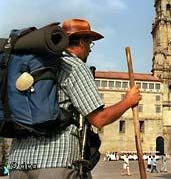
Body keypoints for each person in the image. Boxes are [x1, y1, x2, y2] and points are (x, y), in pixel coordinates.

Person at [8, 18, 141, 179]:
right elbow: (99, 119)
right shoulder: (74, 66)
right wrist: (128, 101)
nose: (90, 51)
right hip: (55, 162)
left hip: (17, 163)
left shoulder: (35, 64)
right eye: (90, 44)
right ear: (81, 43)